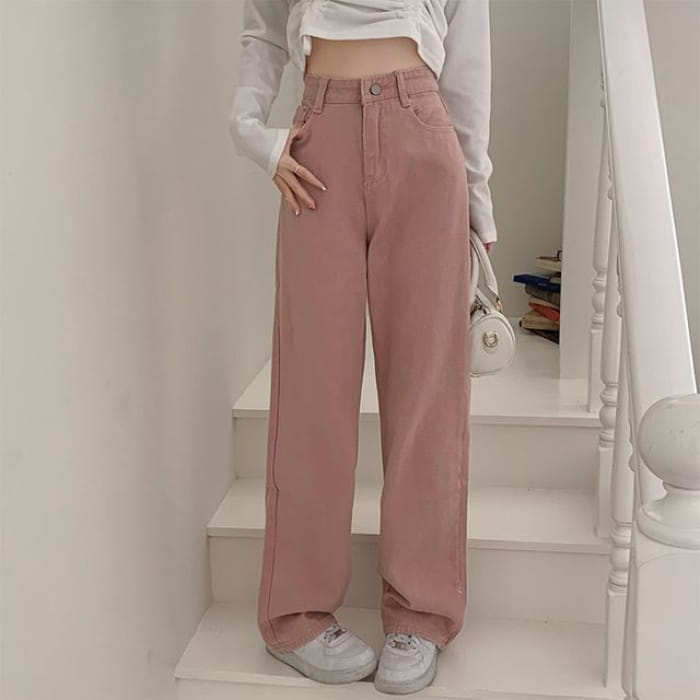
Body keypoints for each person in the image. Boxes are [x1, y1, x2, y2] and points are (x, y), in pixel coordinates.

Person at [229, 1, 497, 695]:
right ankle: (296, 614)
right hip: (317, 141)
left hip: (422, 131)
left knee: (426, 397)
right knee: (312, 392)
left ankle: (421, 613)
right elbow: (263, 28)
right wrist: (252, 134)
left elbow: (468, 59)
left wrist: (478, 202)